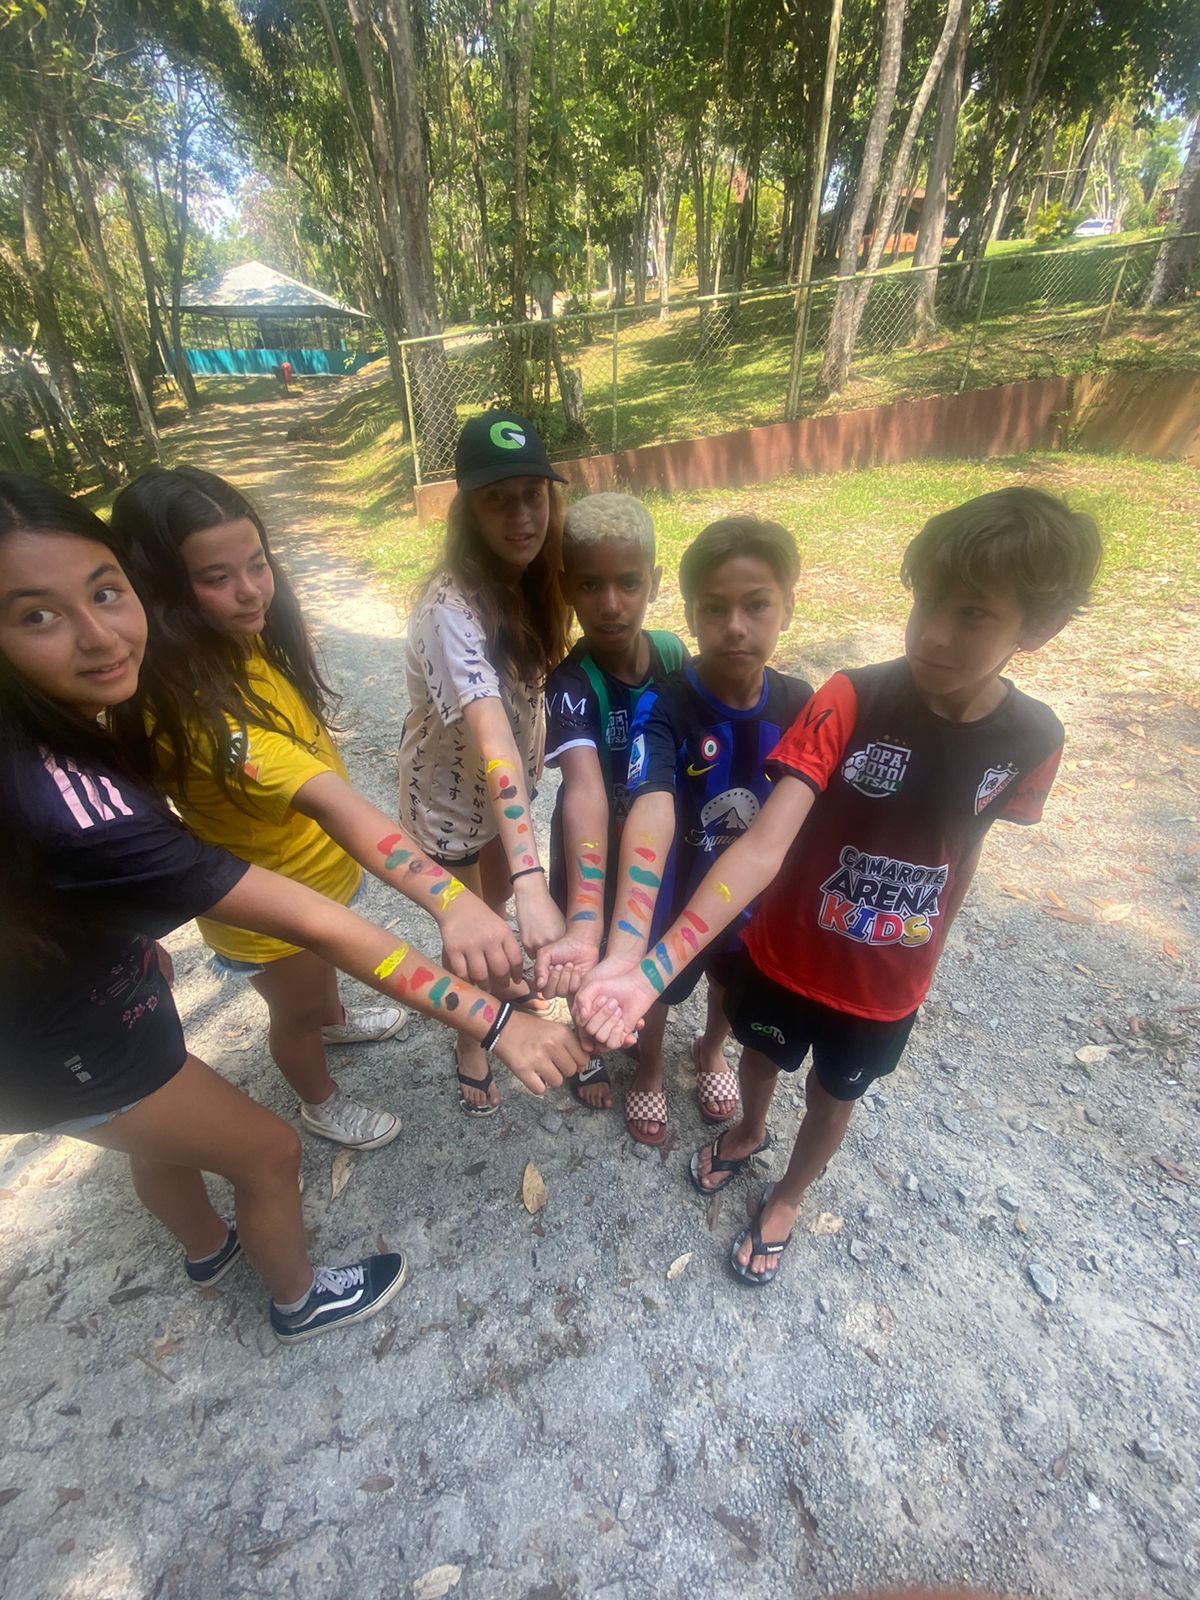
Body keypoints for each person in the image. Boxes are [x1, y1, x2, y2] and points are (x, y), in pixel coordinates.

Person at [0, 475, 585, 1342]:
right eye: (36, 615)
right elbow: (321, 907)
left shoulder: (121, 698)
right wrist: (497, 1018)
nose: (97, 636)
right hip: (58, 1047)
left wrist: (110, 938)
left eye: (103, 591)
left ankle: (206, 1247)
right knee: (266, 1150)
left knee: (164, 1131)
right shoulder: (152, 756)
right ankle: (298, 1299)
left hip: (96, 983)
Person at [576, 486, 1101, 1284]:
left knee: (834, 1097)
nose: (933, 634)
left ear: (1039, 627)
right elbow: (760, 847)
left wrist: (932, 948)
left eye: (972, 614)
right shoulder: (849, 698)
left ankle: (787, 1197)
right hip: (784, 951)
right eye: (925, 601)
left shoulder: (1035, 740)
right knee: (761, 1054)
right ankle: (749, 1131)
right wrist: (650, 969)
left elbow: (971, 841)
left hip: (889, 979)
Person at [111, 466, 525, 1151]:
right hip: (269, 914)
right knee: (295, 1012)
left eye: (258, 563)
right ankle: (318, 1099)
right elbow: (336, 804)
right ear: (162, 591)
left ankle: (333, 1020)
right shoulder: (201, 717)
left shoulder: (231, 646)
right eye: (218, 578)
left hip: (312, 882)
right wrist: (452, 899)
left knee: (316, 986)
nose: (251, 591)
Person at [578, 517, 811, 1144]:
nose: (735, 626)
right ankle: (649, 1065)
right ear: (690, 611)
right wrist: (628, 947)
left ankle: (711, 1052)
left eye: (757, 605)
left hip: (751, 897)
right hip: (670, 893)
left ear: (787, 607)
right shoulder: (666, 703)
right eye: (715, 608)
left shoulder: (801, 707)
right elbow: (650, 801)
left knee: (732, 986)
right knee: (652, 992)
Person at [398, 410, 573, 1115]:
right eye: (498, 499)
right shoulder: (449, 605)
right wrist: (536, 878)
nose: (521, 514)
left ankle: (498, 990)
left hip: (507, 797)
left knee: (496, 913)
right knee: (472, 929)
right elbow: (489, 730)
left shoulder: (532, 579)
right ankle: (472, 1038)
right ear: (467, 509)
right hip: (447, 806)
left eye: (533, 493)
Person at [533, 493, 688, 1112]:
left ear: (654, 578)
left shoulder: (675, 655)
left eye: (629, 583)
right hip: (589, 840)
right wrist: (584, 910)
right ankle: (587, 1046)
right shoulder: (570, 681)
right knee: (586, 942)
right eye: (592, 585)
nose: (612, 603)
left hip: (658, 839)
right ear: (567, 587)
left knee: (655, 945)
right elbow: (585, 786)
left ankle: (649, 1058)